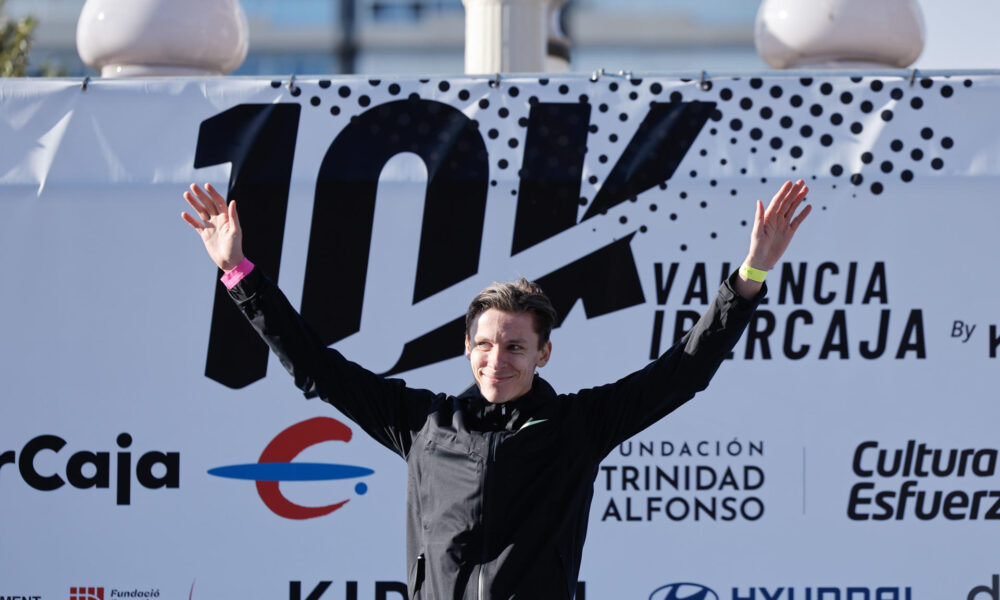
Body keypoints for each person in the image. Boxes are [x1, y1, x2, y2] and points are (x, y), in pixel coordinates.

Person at [182, 179, 811, 599]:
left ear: (543, 352)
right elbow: (318, 367)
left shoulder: (578, 425)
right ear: (467, 349)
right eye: (484, 345)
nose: (497, 360)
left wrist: (750, 274)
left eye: (514, 347)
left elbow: (684, 371)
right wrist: (238, 272)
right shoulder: (424, 425)